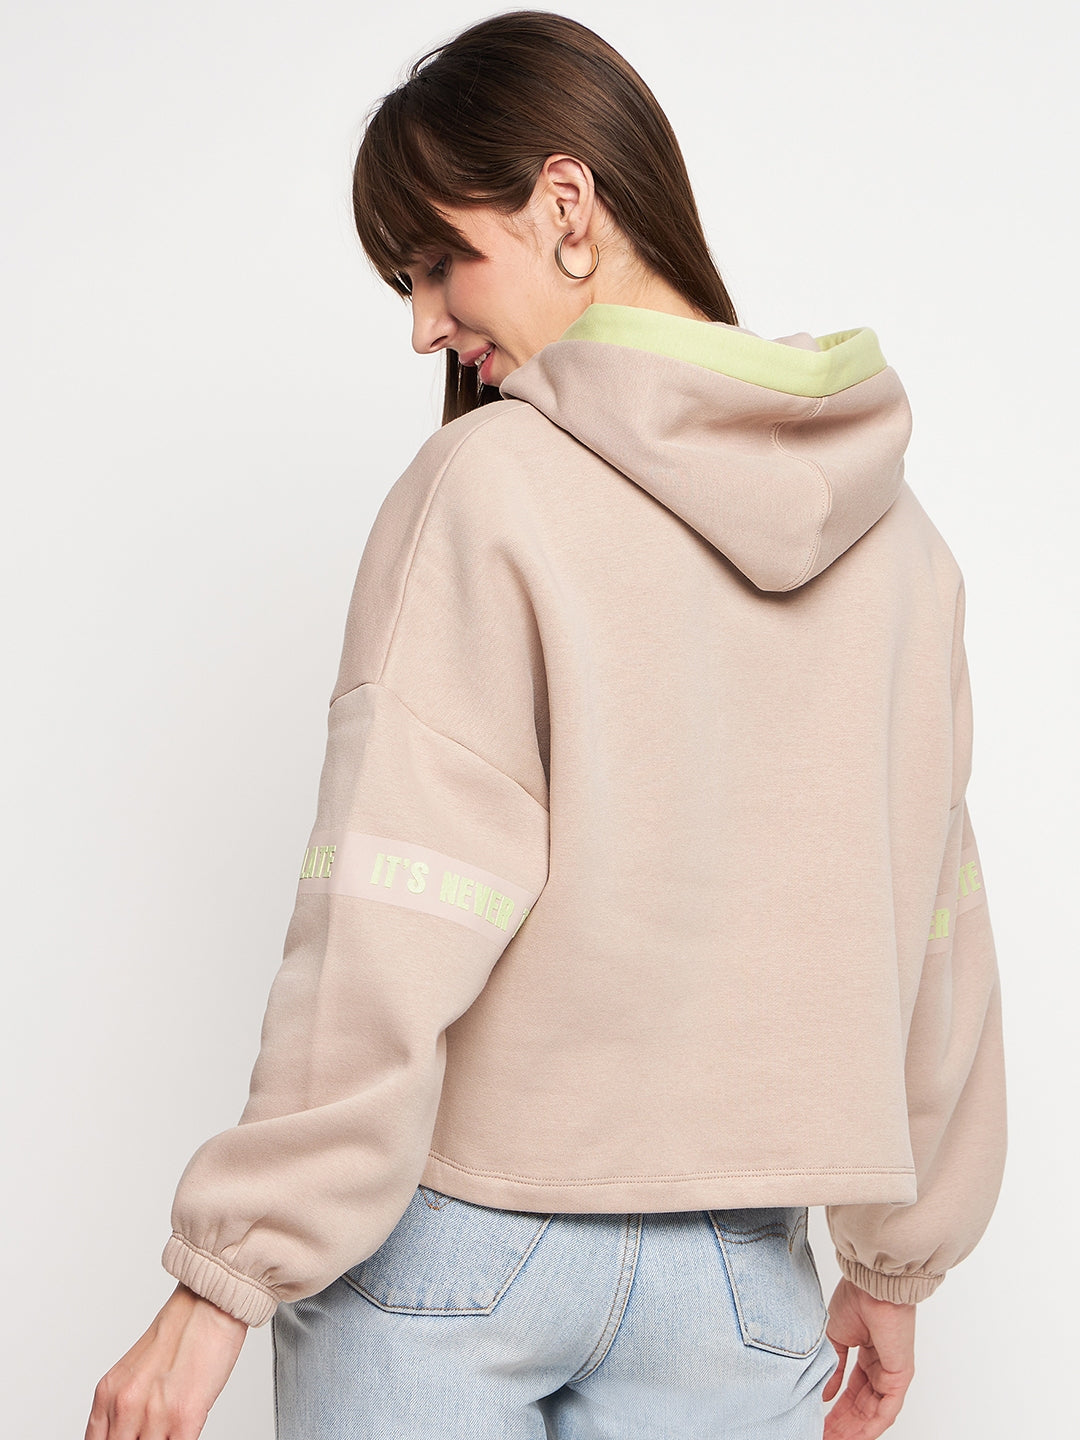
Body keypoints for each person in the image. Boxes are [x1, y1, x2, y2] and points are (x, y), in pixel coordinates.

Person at [84, 11, 1007, 1440]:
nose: (423, 324)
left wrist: (223, 1283)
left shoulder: (487, 485)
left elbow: (389, 913)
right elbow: (933, 935)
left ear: (566, 205)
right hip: (742, 1284)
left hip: (453, 1256)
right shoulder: (905, 549)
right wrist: (896, 1265)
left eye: (437, 260)